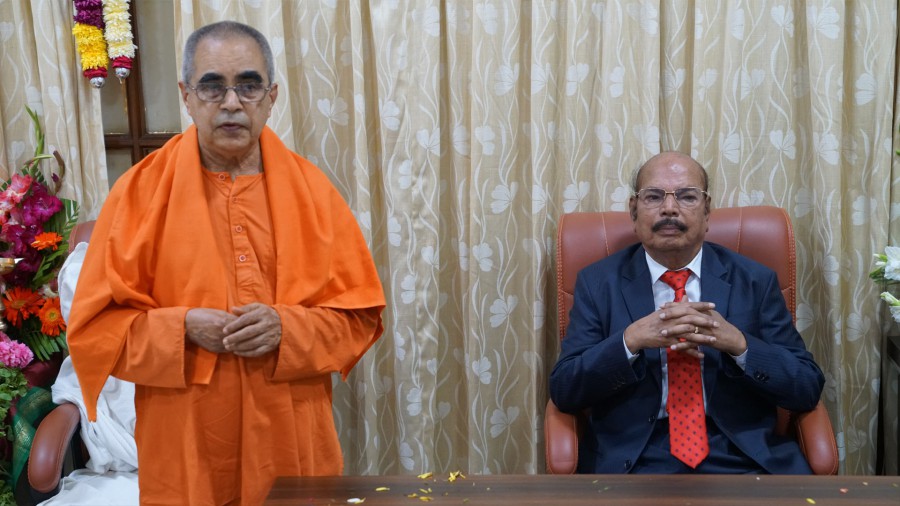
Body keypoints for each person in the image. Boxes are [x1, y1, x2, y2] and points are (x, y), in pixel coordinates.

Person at [67, 21, 385, 504]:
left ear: (272, 95)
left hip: (291, 436)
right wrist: (182, 328)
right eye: (212, 86)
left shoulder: (314, 194)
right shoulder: (138, 195)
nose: (232, 103)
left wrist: (287, 328)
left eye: (249, 85)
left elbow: (358, 320)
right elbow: (95, 331)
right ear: (186, 96)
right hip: (186, 443)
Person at [549, 151, 824, 474]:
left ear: (707, 213)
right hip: (637, 458)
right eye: (653, 196)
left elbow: (805, 387)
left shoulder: (754, 280)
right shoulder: (598, 283)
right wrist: (629, 341)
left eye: (686, 196)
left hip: (741, 456)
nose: (669, 208)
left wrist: (739, 345)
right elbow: (566, 390)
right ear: (633, 211)